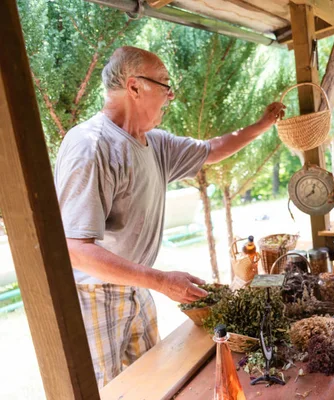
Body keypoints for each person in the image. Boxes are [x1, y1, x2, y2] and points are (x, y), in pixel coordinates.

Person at [54, 46, 285, 388]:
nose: (171, 93)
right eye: (163, 83)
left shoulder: (154, 144)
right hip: (92, 295)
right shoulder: (92, 146)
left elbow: (211, 150)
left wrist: (263, 124)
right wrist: (161, 281)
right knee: (105, 390)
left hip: (137, 288)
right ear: (134, 87)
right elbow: (75, 248)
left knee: (152, 384)